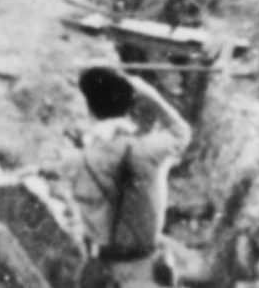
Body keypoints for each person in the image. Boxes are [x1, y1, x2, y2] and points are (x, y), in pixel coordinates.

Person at [68, 68, 192, 288]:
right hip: (141, 272)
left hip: (103, 271)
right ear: (130, 107)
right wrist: (149, 94)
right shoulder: (145, 151)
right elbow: (181, 132)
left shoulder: (79, 160)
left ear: (90, 109)